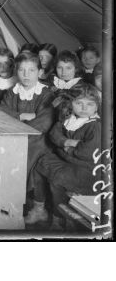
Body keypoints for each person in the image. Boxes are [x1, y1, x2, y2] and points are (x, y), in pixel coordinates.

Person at [31, 85, 101, 228]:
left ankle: (60, 219)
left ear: (96, 107)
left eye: (90, 104)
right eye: (78, 103)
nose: (84, 108)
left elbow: (88, 153)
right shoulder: (69, 118)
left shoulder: (95, 126)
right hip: (68, 161)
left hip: (86, 169)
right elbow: (54, 134)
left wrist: (63, 150)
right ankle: (39, 209)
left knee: (58, 179)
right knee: (40, 164)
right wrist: (66, 142)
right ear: (71, 104)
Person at [0, 52, 56, 217]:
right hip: (14, 138)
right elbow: (2, 111)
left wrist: (18, 124)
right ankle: (8, 201)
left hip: (39, 140)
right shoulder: (12, 92)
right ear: (16, 71)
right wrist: (22, 116)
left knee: (30, 159)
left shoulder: (46, 94)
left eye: (31, 70)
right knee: (3, 156)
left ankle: (39, 208)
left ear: (40, 73)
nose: (26, 75)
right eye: (22, 70)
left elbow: (44, 122)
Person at [49, 50, 87, 122]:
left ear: (76, 69)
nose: (63, 72)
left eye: (68, 68)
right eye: (60, 68)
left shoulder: (81, 87)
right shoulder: (51, 82)